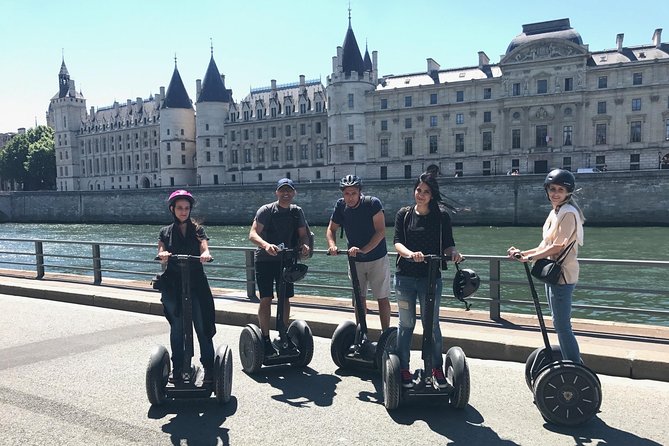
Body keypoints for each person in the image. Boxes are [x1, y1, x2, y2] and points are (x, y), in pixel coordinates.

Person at [507, 168, 585, 364]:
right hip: (553, 274)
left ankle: (576, 367)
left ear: (568, 192)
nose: (555, 193)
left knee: (563, 327)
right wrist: (523, 253)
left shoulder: (568, 213)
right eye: (552, 189)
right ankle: (571, 365)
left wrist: (529, 258)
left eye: (560, 189)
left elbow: (558, 246)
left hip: (563, 275)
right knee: (558, 324)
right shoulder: (556, 212)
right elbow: (545, 245)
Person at [393, 172, 463, 389]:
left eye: (426, 192)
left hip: (431, 279)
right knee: (406, 325)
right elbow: (397, 242)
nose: (421, 195)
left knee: (431, 326)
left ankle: (435, 368)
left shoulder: (441, 217)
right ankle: (403, 368)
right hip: (405, 277)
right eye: (418, 190)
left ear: (432, 195)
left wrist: (454, 253)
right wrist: (410, 253)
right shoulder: (403, 215)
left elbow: (448, 244)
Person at [157, 190, 215, 384]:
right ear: (172, 209)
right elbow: (161, 249)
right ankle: (179, 367)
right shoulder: (165, 231)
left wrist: (205, 254)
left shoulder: (198, 230)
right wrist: (164, 255)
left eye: (187, 208)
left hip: (196, 283)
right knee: (177, 328)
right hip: (173, 284)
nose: (183, 212)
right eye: (180, 208)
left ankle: (209, 367)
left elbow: (204, 247)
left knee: (202, 325)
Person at [249, 178, 311, 357]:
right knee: (266, 298)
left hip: (286, 260)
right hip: (265, 260)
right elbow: (253, 234)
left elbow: (303, 235)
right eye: (282, 190)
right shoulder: (266, 211)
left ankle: (283, 334)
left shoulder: (296, 212)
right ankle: (266, 338)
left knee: (285, 299)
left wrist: (305, 245)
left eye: (289, 191)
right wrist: (266, 245)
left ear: (294, 193)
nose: (286, 194)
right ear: (276, 192)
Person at [326, 174, 391, 331]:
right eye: (347, 194)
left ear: (360, 192)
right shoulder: (341, 206)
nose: (350, 198)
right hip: (355, 260)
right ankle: (361, 332)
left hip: (377, 258)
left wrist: (363, 250)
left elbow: (381, 232)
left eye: (353, 193)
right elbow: (331, 229)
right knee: (359, 298)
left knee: (382, 298)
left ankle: (385, 334)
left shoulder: (373, 204)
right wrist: (332, 245)